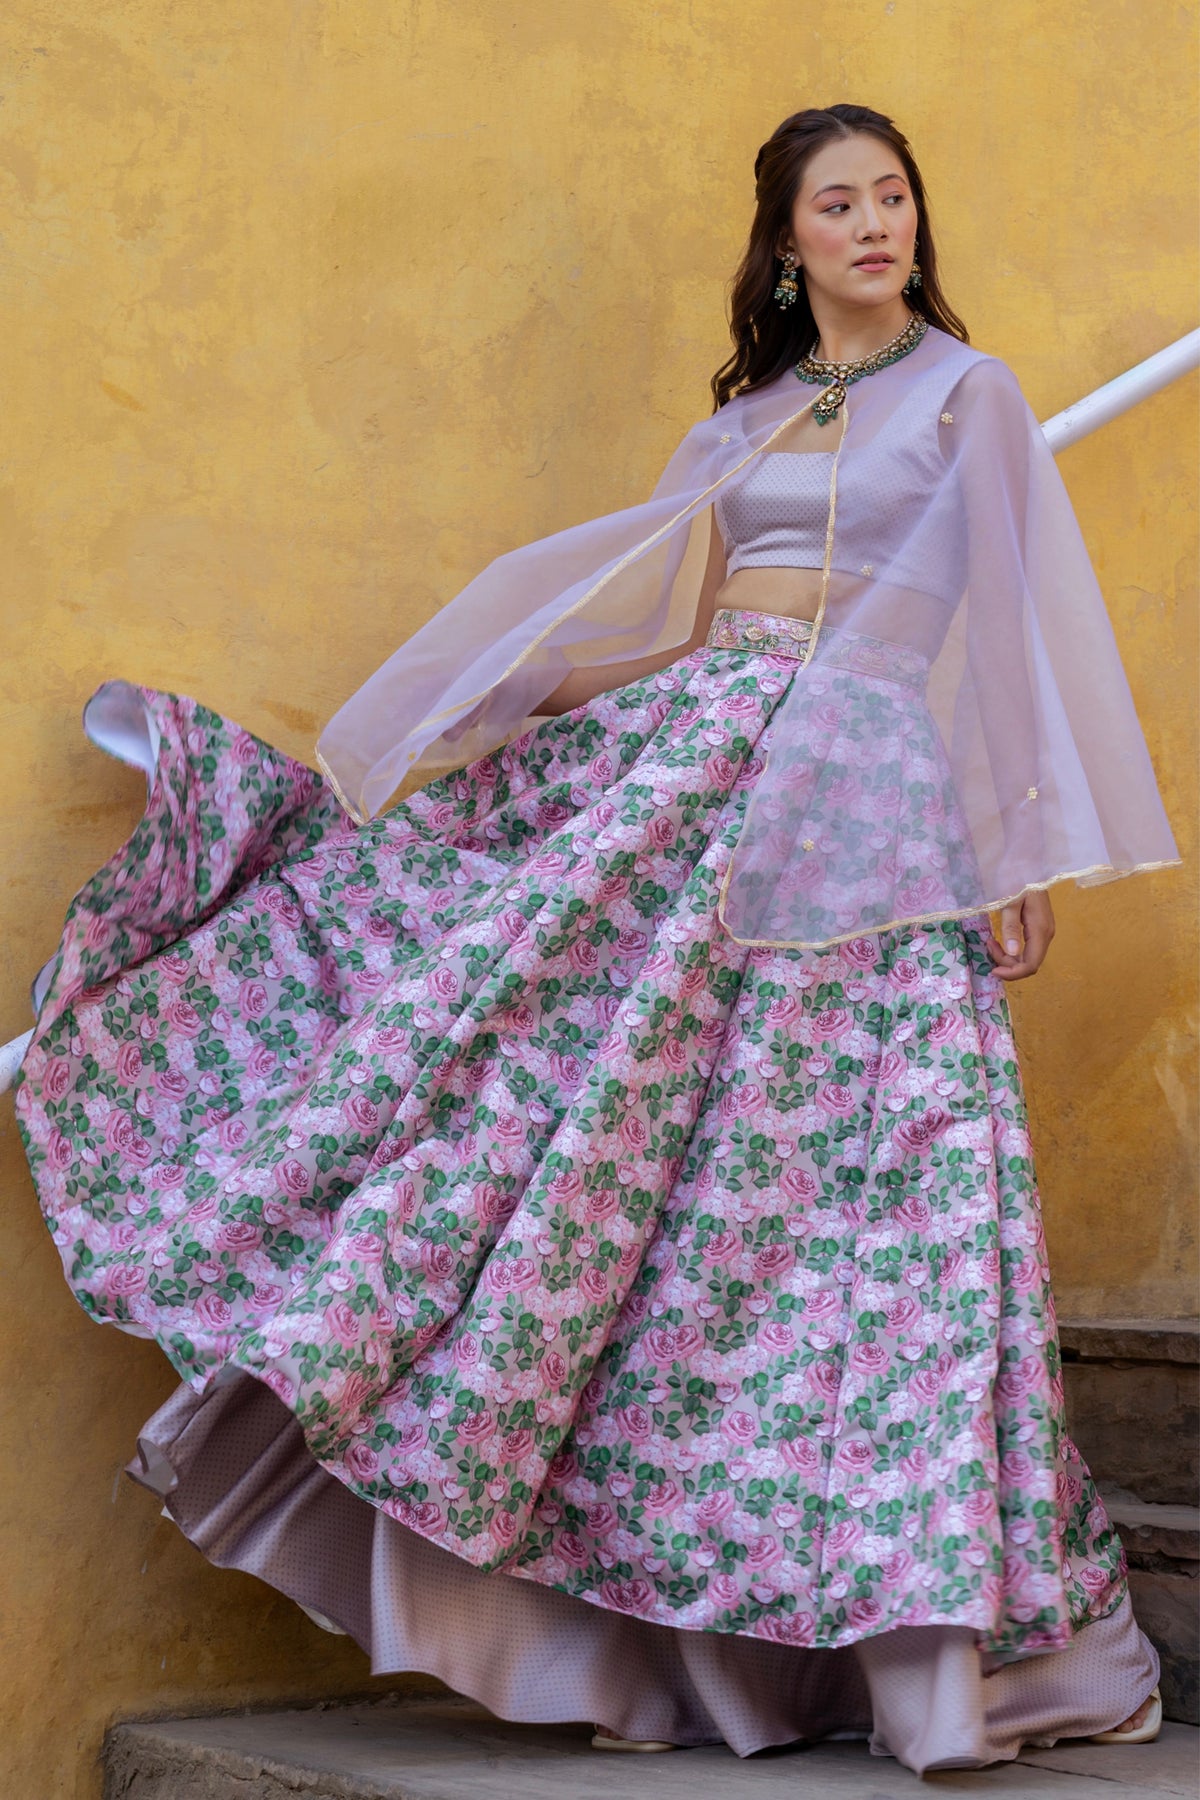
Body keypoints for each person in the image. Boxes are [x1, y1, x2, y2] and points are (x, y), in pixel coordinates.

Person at [9, 103, 1177, 1774]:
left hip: (868, 818)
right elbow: (691, 634)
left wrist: (1014, 851)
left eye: (894, 197)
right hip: (700, 784)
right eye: (837, 204)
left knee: (886, 1209)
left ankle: (939, 1663)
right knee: (669, 1193)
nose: (874, 225)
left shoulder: (972, 397)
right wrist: (549, 691)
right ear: (785, 242)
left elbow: (1005, 636)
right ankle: (725, 1653)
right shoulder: (750, 422)